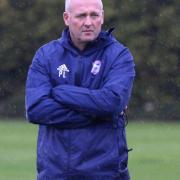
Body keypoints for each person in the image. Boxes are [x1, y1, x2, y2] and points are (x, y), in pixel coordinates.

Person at [25, 0, 135, 179]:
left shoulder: (119, 55)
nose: (88, 22)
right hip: (56, 173)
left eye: (94, 15)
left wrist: (60, 92)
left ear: (102, 17)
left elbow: (112, 102)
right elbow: (36, 110)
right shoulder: (45, 56)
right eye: (81, 15)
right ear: (66, 18)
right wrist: (98, 112)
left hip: (106, 172)